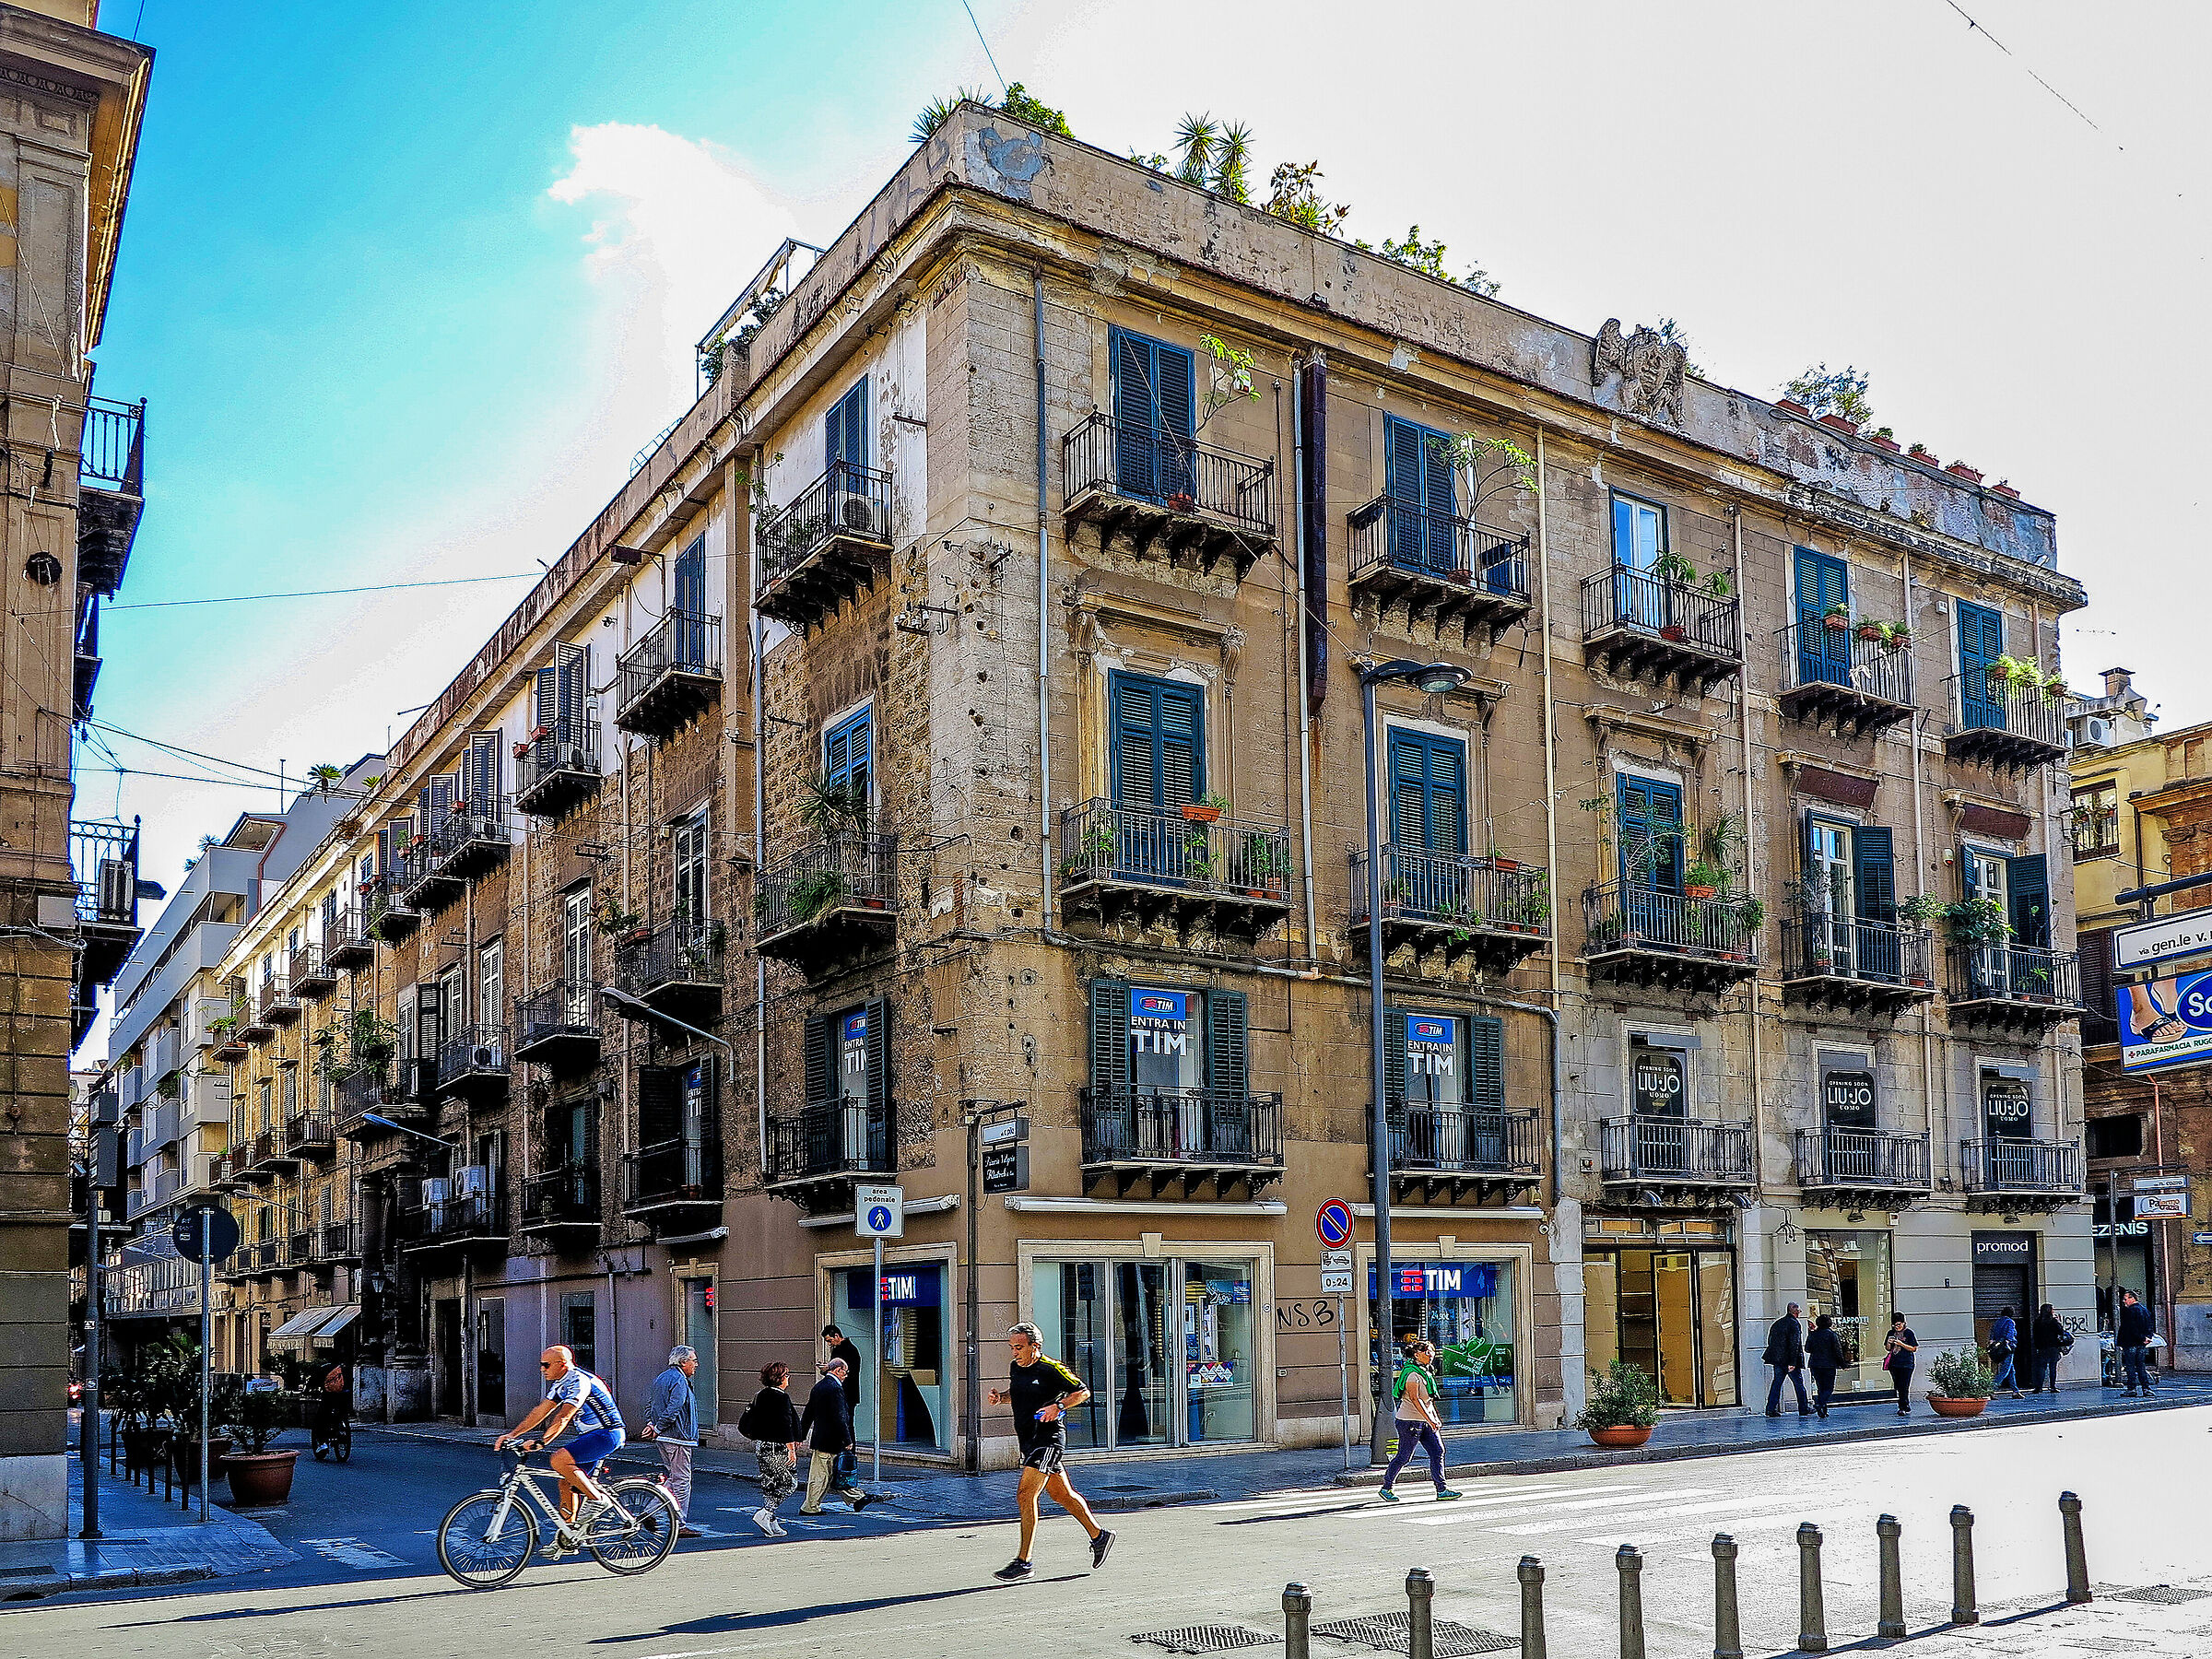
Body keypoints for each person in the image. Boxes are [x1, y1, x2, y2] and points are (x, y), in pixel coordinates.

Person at [984, 1322, 1113, 1581]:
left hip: (1048, 1439)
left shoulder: (1051, 1369)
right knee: (1062, 1494)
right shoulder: (1016, 1368)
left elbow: (1083, 1392)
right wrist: (1002, 1398)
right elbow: (1020, 1394)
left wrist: (1058, 1406)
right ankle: (1100, 1536)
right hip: (1029, 1440)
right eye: (1012, 1348)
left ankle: (1024, 1561)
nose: (1014, 1353)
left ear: (1035, 1346)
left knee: (1025, 1494)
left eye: (1019, 1347)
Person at [493, 1347, 623, 1545]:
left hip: (607, 1434)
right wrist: (512, 1434)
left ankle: (598, 1500)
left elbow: (564, 1416)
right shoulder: (561, 1383)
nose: (542, 1369)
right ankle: (569, 1534)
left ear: (562, 1364)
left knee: (559, 1459)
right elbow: (540, 1412)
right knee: (566, 1482)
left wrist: (542, 1442)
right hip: (591, 1436)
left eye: (546, 1365)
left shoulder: (579, 1381)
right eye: (541, 1365)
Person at [1378, 1339, 1462, 1502]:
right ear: (1417, 1355)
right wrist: (1431, 1419)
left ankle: (1442, 1489)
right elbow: (1416, 1400)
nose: (1431, 1355)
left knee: (1438, 1451)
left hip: (1425, 1421)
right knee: (1404, 1456)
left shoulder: (1426, 1372)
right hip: (1409, 1421)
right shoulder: (1412, 1374)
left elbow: (1428, 1400)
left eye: (1432, 1351)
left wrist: (1434, 1418)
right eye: (1427, 1352)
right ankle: (1386, 1487)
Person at [639, 1345, 703, 1538]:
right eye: (694, 1360)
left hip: (665, 1438)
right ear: (683, 1362)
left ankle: (648, 1512)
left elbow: (651, 1405)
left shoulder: (662, 1378)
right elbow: (675, 1407)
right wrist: (657, 1427)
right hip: (678, 1438)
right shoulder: (679, 1380)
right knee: (683, 1481)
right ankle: (680, 1523)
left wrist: (652, 1425)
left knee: (675, 1478)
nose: (696, 1365)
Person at [796, 1358, 872, 1516]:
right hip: (832, 1439)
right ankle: (810, 1507)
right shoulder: (835, 1389)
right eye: (845, 1372)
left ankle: (858, 1498)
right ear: (838, 1370)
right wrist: (847, 1439)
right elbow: (840, 1416)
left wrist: (801, 1435)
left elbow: (808, 1412)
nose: (846, 1376)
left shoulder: (819, 1386)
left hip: (822, 1438)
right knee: (823, 1475)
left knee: (835, 1472)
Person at [737, 1361, 806, 1536]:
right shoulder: (781, 1397)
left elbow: (745, 1422)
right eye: (787, 1375)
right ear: (780, 1378)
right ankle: (765, 1513)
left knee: (771, 1484)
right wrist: (791, 1448)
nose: (788, 1378)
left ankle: (772, 1522)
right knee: (790, 1483)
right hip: (777, 1447)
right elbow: (785, 1423)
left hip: (762, 1445)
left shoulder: (760, 1395)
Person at [823, 1324, 865, 1479]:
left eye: (829, 1340)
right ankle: (843, 1455)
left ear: (836, 1336)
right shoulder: (840, 1350)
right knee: (842, 1424)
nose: (829, 1344)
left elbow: (850, 1374)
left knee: (846, 1424)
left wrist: (828, 1370)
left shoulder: (849, 1351)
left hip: (847, 1394)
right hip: (842, 1393)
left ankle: (848, 1455)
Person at [1763, 1302, 1811, 1418]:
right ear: (1795, 1312)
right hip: (1789, 1360)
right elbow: (1795, 1344)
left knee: (1777, 1383)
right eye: (1799, 1311)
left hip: (1778, 1359)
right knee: (1799, 1384)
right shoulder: (1794, 1324)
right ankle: (1803, 1408)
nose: (1800, 1313)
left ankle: (1770, 1408)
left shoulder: (1778, 1323)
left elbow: (1770, 1340)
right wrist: (1793, 1362)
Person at [1805, 1313, 1845, 1419]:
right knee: (1829, 1388)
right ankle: (1820, 1404)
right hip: (1828, 1364)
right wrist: (1842, 1363)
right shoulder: (1832, 1335)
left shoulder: (1812, 1335)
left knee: (1820, 1387)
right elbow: (1838, 1350)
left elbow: (1807, 1349)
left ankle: (1823, 1409)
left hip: (1815, 1364)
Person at [2117, 1288, 2157, 1396]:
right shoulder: (2144, 1309)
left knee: (2130, 1366)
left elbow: (2131, 1328)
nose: (2124, 1301)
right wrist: (2147, 1337)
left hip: (2131, 1342)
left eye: (2125, 1299)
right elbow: (2150, 1325)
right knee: (2141, 1366)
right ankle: (2146, 1388)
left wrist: (2141, 1338)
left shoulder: (2129, 1311)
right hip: (2142, 1343)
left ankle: (2132, 1389)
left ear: (2132, 1298)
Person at [311, 1357, 350, 1458]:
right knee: (341, 1414)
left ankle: (323, 1443)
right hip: (345, 1397)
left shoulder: (323, 1368)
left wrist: (308, 1391)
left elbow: (312, 1382)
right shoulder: (345, 1369)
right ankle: (340, 1428)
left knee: (320, 1419)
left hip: (329, 1398)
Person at [1884, 1312, 1918, 1416]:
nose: (1897, 1327)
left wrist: (1901, 1344)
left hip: (1907, 1363)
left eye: (1899, 1324)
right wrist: (1889, 1343)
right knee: (1898, 1385)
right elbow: (1887, 1348)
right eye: (1895, 1325)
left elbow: (1914, 1348)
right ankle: (1906, 1404)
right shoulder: (1890, 1333)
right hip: (1894, 1364)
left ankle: (1902, 1407)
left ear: (1904, 1323)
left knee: (1904, 1385)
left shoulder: (1909, 1333)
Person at [1987, 1306, 2024, 1400]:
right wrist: (2008, 1342)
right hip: (2007, 1349)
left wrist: (1993, 1342)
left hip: (1998, 1348)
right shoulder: (2010, 1322)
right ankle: (1991, 1388)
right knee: (2005, 1370)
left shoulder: (1998, 1321)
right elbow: (2009, 1335)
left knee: (2011, 1370)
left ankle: (2015, 1391)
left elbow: (1992, 1334)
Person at [2031, 1302, 2067, 1394]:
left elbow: (2035, 1335)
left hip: (2042, 1347)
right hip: (2053, 1347)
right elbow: (2061, 1332)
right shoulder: (2053, 1322)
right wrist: (2059, 1322)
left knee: (2041, 1368)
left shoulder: (2037, 1322)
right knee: (2052, 1367)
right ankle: (2052, 1386)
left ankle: (2038, 1387)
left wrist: (2037, 1346)